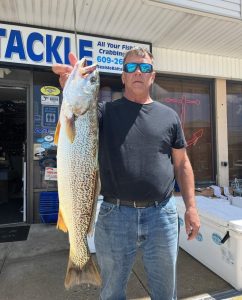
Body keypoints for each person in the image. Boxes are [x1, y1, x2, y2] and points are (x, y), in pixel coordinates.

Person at [52, 47, 200, 300]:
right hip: (115, 214)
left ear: (153, 76)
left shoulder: (170, 116)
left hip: (161, 215)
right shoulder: (103, 112)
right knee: (112, 292)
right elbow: (74, 121)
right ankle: (79, 259)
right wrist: (70, 85)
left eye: (144, 68)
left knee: (165, 292)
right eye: (131, 67)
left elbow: (182, 165)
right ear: (123, 76)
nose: (138, 72)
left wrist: (191, 207)